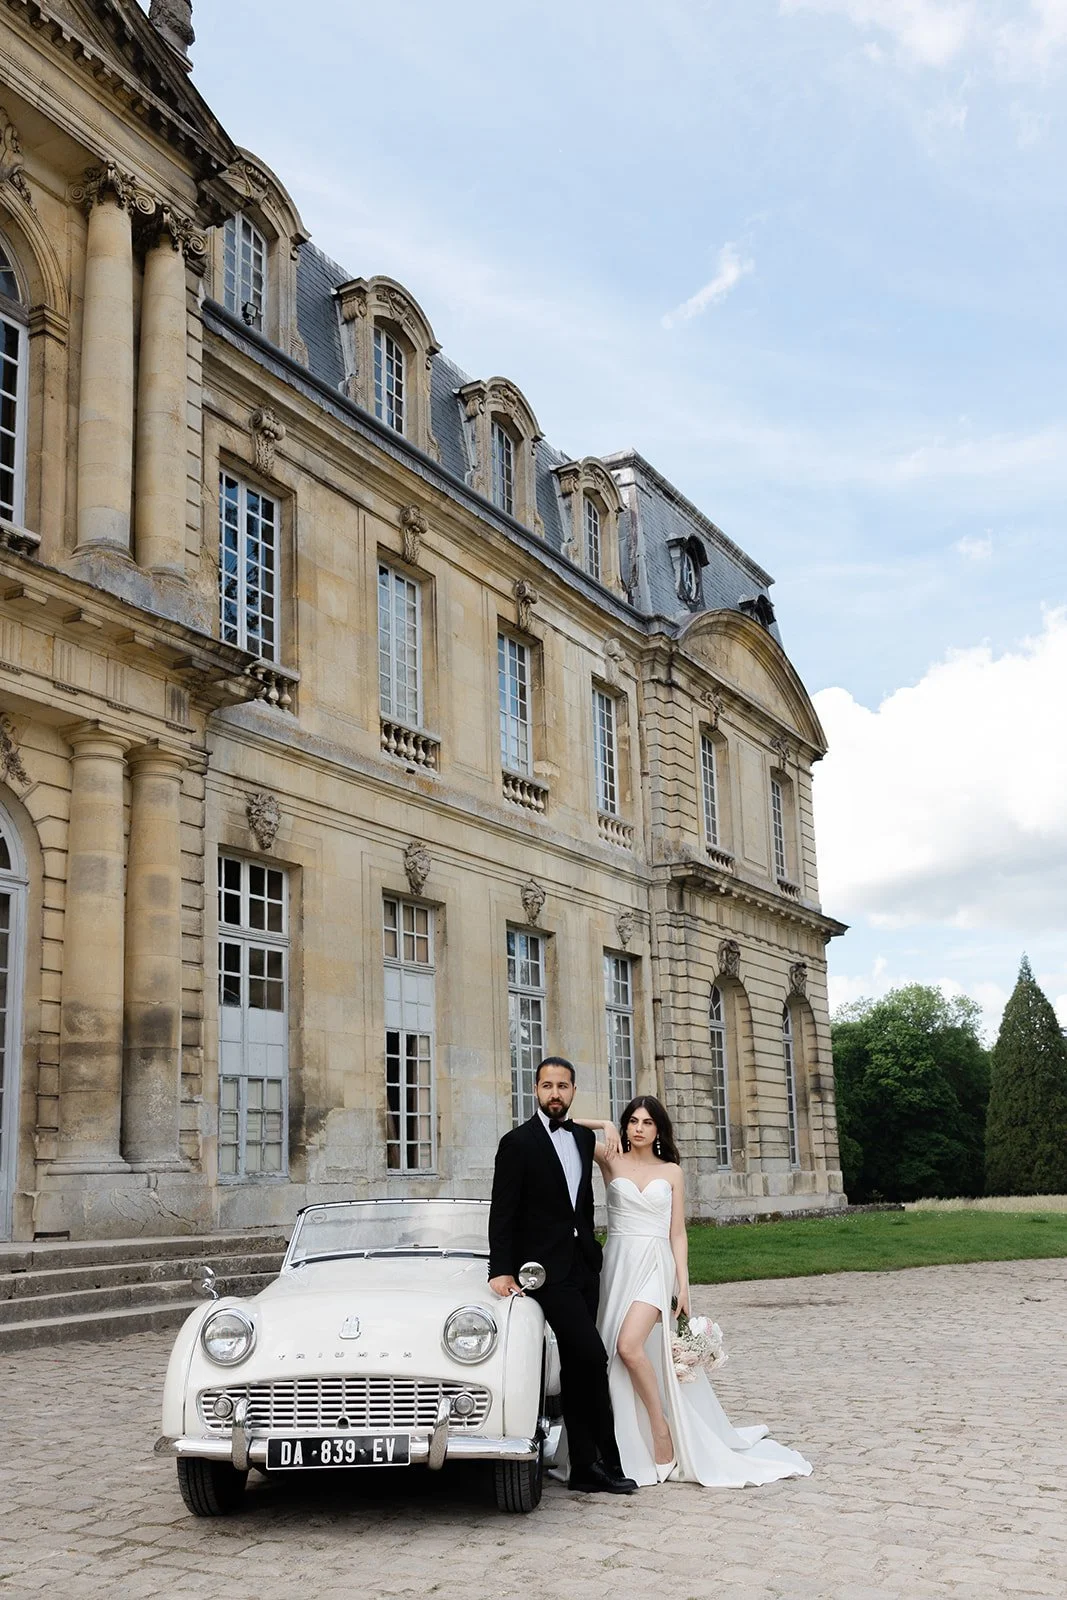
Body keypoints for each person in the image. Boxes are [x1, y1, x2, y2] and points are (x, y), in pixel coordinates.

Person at [575, 1094, 813, 1489]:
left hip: (655, 1264)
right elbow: (560, 1126)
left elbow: (677, 1232)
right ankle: (614, 1444)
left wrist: (683, 1283)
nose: (638, 1128)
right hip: (616, 1262)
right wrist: (604, 1124)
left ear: (658, 1130)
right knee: (610, 1354)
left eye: (647, 1122)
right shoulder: (610, 1157)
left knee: (629, 1347)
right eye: (632, 1121)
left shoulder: (671, 1172)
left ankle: (660, 1426)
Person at [488, 1057, 638, 1494]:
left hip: (583, 1266)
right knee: (592, 1358)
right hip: (544, 1273)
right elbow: (504, 1211)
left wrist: (606, 1122)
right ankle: (601, 1460)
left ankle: (585, 1470)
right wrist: (500, 1269)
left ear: (573, 1091)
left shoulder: (579, 1138)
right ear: (535, 1089)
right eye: (547, 1086)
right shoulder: (517, 1143)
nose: (555, 1093)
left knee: (577, 1368)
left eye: (563, 1086)